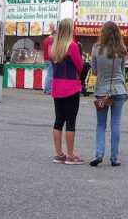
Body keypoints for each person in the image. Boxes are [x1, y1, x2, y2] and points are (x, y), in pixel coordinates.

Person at [90, 21, 128, 167]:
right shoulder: (122, 49)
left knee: (100, 124)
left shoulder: (96, 48)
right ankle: (114, 158)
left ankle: (99, 154)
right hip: (119, 90)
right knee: (116, 124)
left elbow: (94, 71)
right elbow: (123, 71)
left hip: (101, 91)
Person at [50, 18, 84, 165]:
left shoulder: (53, 46)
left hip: (57, 86)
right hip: (71, 87)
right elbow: (80, 66)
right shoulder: (73, 46)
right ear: (70, 30)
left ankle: (58, 153)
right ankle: (70, 154)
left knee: (58, 120)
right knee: (71, 121)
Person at [42, 29, 56, 95]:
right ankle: (48, 89)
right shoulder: (52, 40)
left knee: (48, 74)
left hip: (45, 59)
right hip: (50, 59)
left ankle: (45, 89)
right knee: (50, 75)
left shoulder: (46, 39)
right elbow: (50, 50)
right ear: (54, 34)